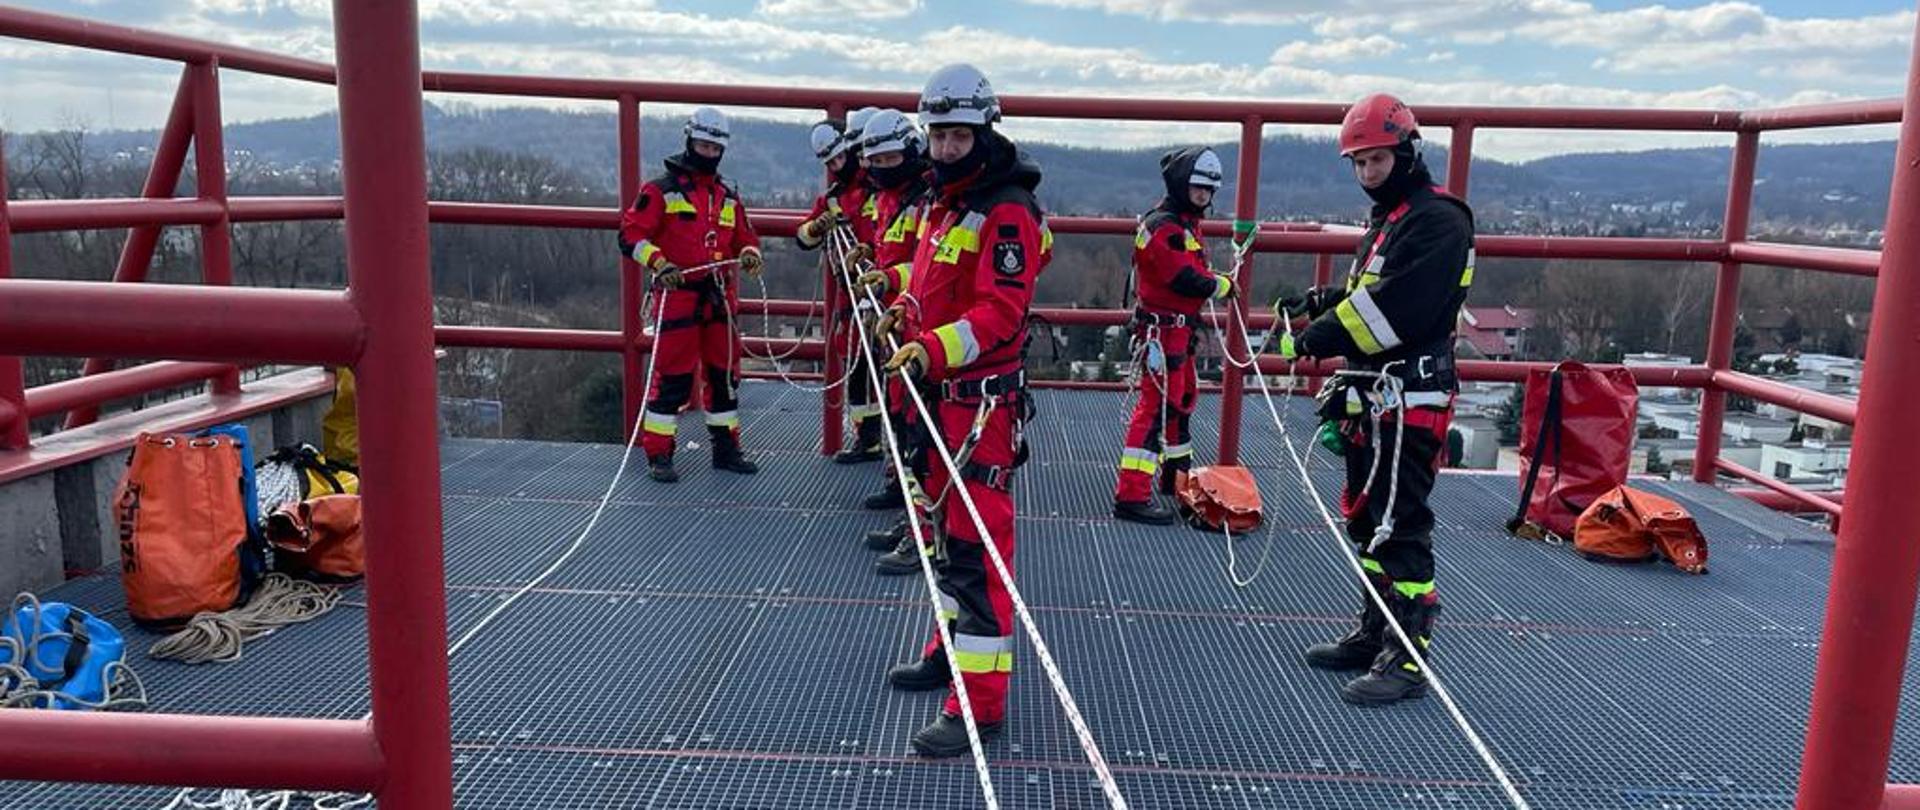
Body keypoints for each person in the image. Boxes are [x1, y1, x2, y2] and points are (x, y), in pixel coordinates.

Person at [1275, 93, 1474, 705]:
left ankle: (1409, 658)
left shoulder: (1438, 220)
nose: (1367, 174)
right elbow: (1371, 287)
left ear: (1408, 151)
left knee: (1399, 523)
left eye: (1377, 161)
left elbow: (1397, 307)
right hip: (1376, 395)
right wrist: (1322, 300)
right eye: (1358, 163)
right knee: (1366, 518)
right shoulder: (1392, 218)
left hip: (1408, 395)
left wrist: (1318, 336)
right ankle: (1375, 631)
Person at [877, 64, 1050, 757]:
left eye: (958, 135)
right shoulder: (946, 205)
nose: (946, 147)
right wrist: (898, 304)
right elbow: (934, 287)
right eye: (938, 134)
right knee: (946, 541)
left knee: (978, 553)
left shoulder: (1003, 210)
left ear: (984, 130)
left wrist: (928, 351)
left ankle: (978, 704)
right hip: (940, 404)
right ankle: (949, 653)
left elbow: (1001, 315)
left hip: (976, 408)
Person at [616, 106, 765, 483]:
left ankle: (726, 450)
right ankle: (659, 454)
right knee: (672, 379)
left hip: (719, 299)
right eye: (702, 145)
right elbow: (630, 236)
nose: (708, 153)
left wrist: (749, 254)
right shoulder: (661, 191)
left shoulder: (727, 198)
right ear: (689, 141)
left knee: (724, 377)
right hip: (678, 295)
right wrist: (659, 263)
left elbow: (746, 237)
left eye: (715, 148)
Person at [1111, 146, 1234, 525]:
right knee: (1153, 411)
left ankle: (1175, 480)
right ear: (1181, 184)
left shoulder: (1182, 223)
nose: (1203, 196)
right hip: (1162, 334)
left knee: (1179, 403)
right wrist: (1221, 286)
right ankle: (1131, 495)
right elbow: (1182, 276)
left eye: (1208, 190)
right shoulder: (1165, 226)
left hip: (1178, 334)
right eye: (1197, 188)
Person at [847, 109, 943, 568]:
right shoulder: (890, 199)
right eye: (876, 161)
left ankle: (926, 535)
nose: (884, 167)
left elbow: (925, 269)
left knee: (924, 436)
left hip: (924, 332)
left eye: (891, 158)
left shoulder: (928, 200)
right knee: (904, 429)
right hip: (900, 327)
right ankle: (914, 523)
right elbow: (898, 252)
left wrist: (886, 279)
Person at [796, 117, 885, 463]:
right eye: (829, 163)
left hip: (883, 286)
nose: (836, 167)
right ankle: (869, 440)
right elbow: (802, 238)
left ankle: (895, 441)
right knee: (858, 367)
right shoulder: (834, 198)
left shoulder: (881, 188)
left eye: (839, 158)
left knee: (884, 365)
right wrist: (817, 228)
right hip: (852, 293)